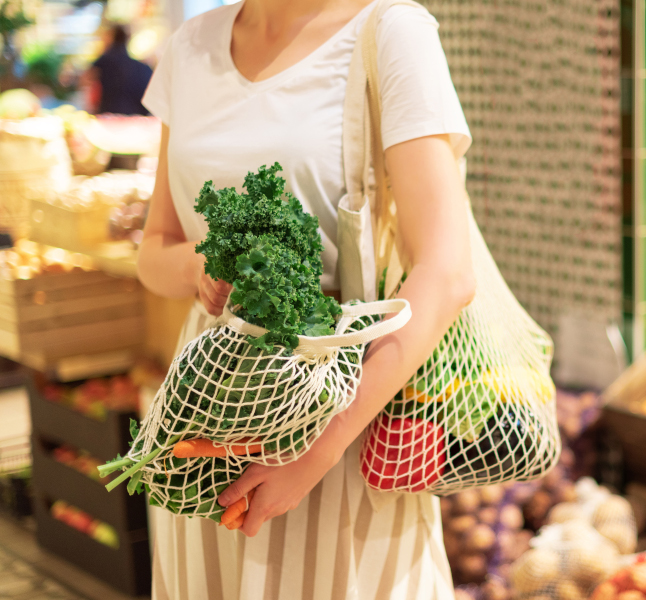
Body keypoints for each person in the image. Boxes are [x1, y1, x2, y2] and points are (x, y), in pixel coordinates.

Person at [136, 0, 475, 597]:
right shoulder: (190, 47)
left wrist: (314, 451)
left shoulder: (391, 32)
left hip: (337, 400)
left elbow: (447, 273)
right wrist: (202, 265)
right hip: (206, 412)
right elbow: (155, 252)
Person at [89, 24, 153, 115]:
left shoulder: (104, 61)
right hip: (137, 115)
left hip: (110, 115)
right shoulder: (142, 67)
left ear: (111, 37)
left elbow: (87, 81)